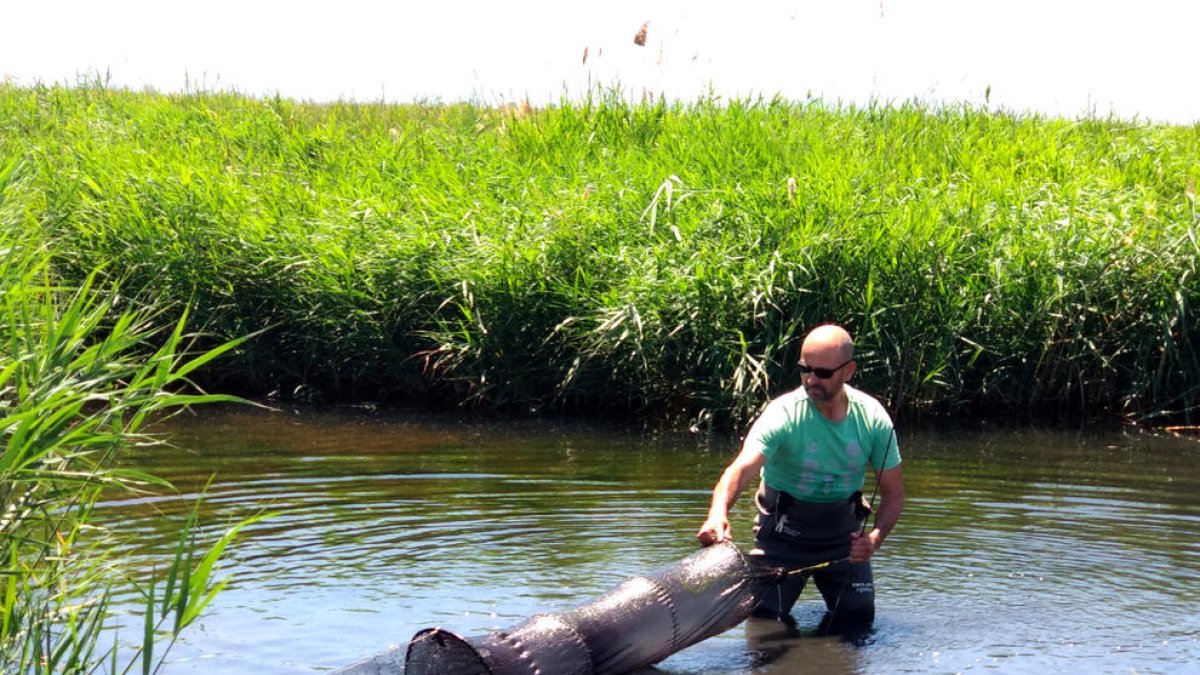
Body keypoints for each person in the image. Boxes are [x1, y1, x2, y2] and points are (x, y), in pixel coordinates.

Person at [696, 324, 904, 635]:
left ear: (848, 371)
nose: (811, 380)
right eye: (804, 369)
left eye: (822, 372)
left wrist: (874, 539)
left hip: (844, 540)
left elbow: (893, 494)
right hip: (782, 536)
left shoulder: (873, 419)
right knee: (764, 624)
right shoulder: (783, 414)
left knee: (858, 623)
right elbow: (739, 470)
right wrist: (717, 513)